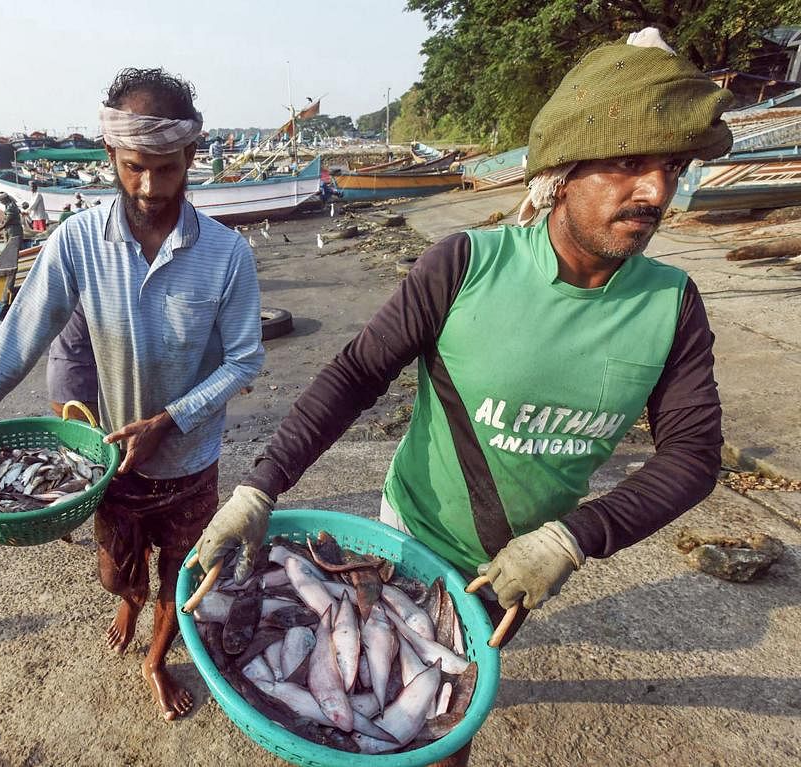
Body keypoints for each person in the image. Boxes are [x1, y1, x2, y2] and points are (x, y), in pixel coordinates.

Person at [194, 27, 732, 763]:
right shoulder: (467, 264)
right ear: (564, 171)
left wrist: (570, 538)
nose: (656, 191)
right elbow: (356, 372)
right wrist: (258, 489)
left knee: (444, 733)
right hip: (410, 539)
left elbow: (695, 455)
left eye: (671, 167)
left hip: (525, 564)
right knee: (377, 720)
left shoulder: (673, 303)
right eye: (629, 162)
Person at [0, 67, 263, 721]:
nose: (151, 186)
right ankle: (125, 598)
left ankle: (158, 660)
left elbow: (245, 360)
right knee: (115, 572)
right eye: (134, 167)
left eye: (167, 167)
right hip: (112, 465)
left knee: (180, 578)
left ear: (192, 154)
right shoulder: (75, 242)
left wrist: (172, 417)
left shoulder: (228, 255)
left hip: (192, 465)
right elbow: (17, 342)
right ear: (110, 156)